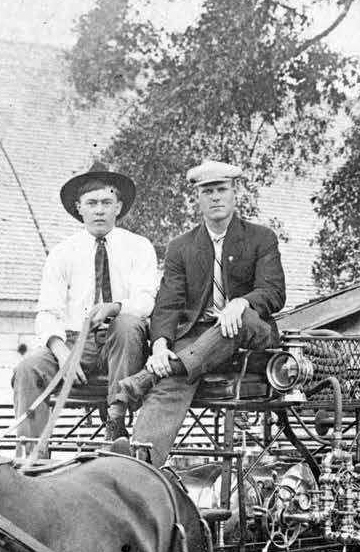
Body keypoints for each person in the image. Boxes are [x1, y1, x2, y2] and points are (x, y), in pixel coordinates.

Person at [113, 160, 285, 466]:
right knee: (169, 381)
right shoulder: (181, 246)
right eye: (208, 192)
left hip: (251, 338)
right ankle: (139, 466)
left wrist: (240, 303)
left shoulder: (261, 238)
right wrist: (160, 347)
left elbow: (274, 292)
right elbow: (167, 304)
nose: (215, 197)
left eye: (222, 190)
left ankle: (154, 374)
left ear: (235, 194)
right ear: (198, 199)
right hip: (199, 342)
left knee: (239, 320)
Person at [12, 169, 157, 447]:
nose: (99, 210)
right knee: (28, 368)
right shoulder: (62, 253)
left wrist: (115, 307)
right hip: (77, 343)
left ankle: (116, 423)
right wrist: (61, 351)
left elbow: (145, 301)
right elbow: (48, 311)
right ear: (79, 208)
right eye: (91, 203)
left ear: (118, 207)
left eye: (106, 202)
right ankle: (32, 456)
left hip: (125, 345)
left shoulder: (139, 247)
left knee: (126, 322)